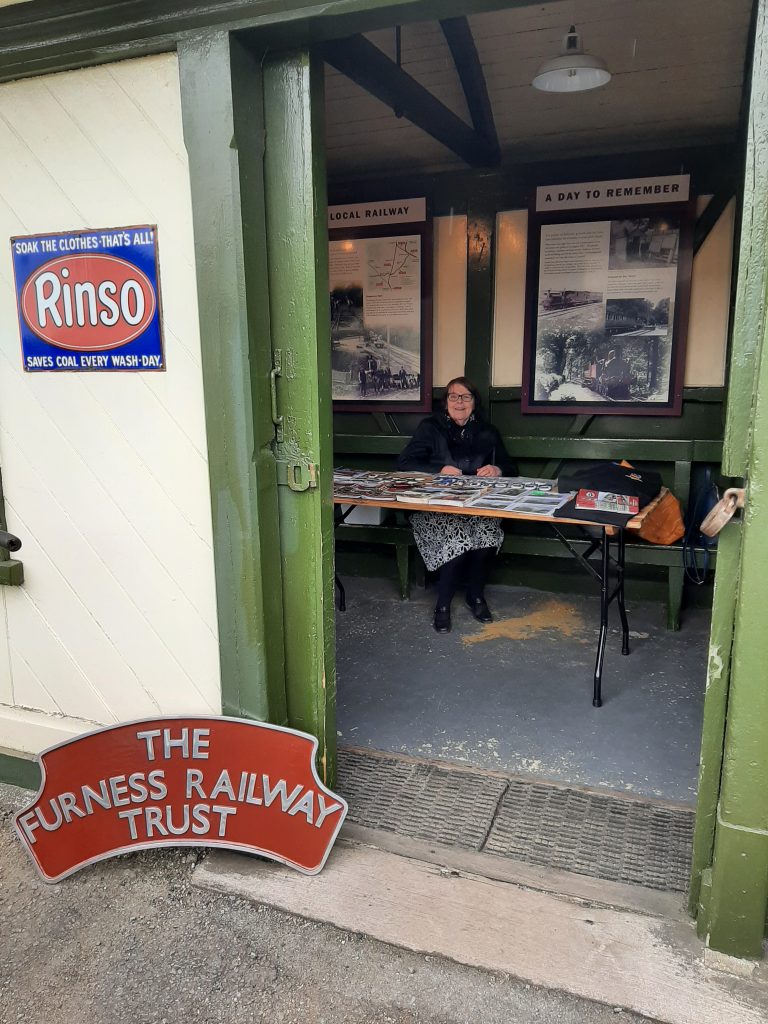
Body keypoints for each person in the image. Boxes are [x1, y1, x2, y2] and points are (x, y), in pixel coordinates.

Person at [397, 377, 517, 633]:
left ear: (474, 402)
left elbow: (510, 467)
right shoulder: (430, 427)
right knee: (458, 540)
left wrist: (497, 468)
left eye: (465, 397)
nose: (459, 402)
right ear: (446, 401)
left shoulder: (487, 431)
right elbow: (405, 462)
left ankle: (475, 596)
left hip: (475, 506)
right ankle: (442, 605)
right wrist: (440, 469)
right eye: (453, 396)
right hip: (435, 507)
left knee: (488, 535)